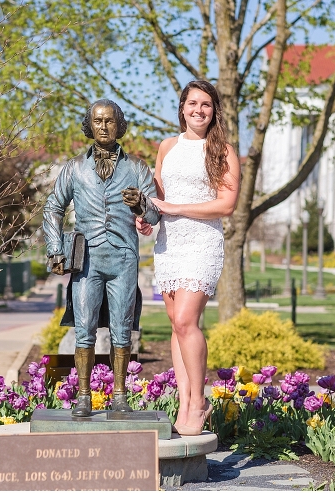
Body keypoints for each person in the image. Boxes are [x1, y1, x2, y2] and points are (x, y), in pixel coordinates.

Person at [42, 99, 161, 417]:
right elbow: (53, 206)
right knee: (84, 329)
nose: (104, 126)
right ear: (89, 126)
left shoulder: (136, 168)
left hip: (123, 259)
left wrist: (140, 204)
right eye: (98, 121)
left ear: (119, 126)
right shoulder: (74, 168)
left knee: (122, 331)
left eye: (110, 121)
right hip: (87, 260)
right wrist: (55, 248)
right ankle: (83, 395)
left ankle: (120, 396)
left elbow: (155, 212)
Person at [137, 80, 240, 436]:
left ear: (214, 111)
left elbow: (226, 205)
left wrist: (174, 208)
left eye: (207, 105)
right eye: (193, 103)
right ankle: (185, 400)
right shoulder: (167, 146)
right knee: (175, 324)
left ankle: (199, 401)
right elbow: (157, 196)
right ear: (182, 107)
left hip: (202, 243)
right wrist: (147, 218)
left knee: (185, 320)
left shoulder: (223, 150)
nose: (199, 110)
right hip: (169, 245)